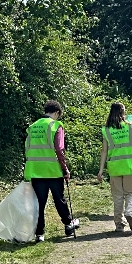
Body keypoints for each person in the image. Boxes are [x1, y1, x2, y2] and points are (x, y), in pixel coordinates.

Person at [24, 100, 77, 243]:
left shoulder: (33, 127)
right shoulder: (56, 126)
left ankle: (39, 234)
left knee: (39, 204)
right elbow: (59, 150)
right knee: (59, 199)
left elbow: (27, 148)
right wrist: (65, 169)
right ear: (57, 112)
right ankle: (68, 224)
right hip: (53, 170)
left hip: (36, 170)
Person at [97, 103, 132, 231]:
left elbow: (104, 151)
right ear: (122, 112)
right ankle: (130, 213)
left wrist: (100, 171)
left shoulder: (106, 130)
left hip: (114, 167)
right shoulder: (130, 126)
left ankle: (119, 224)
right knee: (131, 193)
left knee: (118, 196)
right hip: (130, 165)